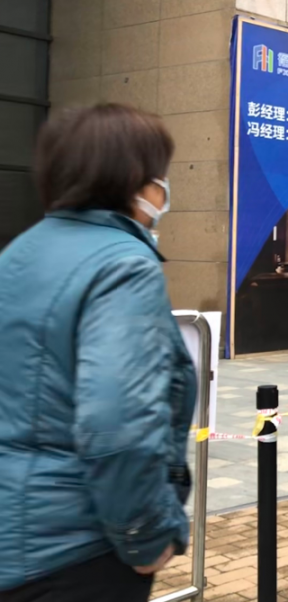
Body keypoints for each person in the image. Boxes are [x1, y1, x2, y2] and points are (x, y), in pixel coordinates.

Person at [0, 104, 196, 601]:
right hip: (77, 551)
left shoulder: (18, 254)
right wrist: (146, 537)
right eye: (160, 176)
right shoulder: (124, 265)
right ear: (134, 181)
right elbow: (118, 425)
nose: (163, 191)